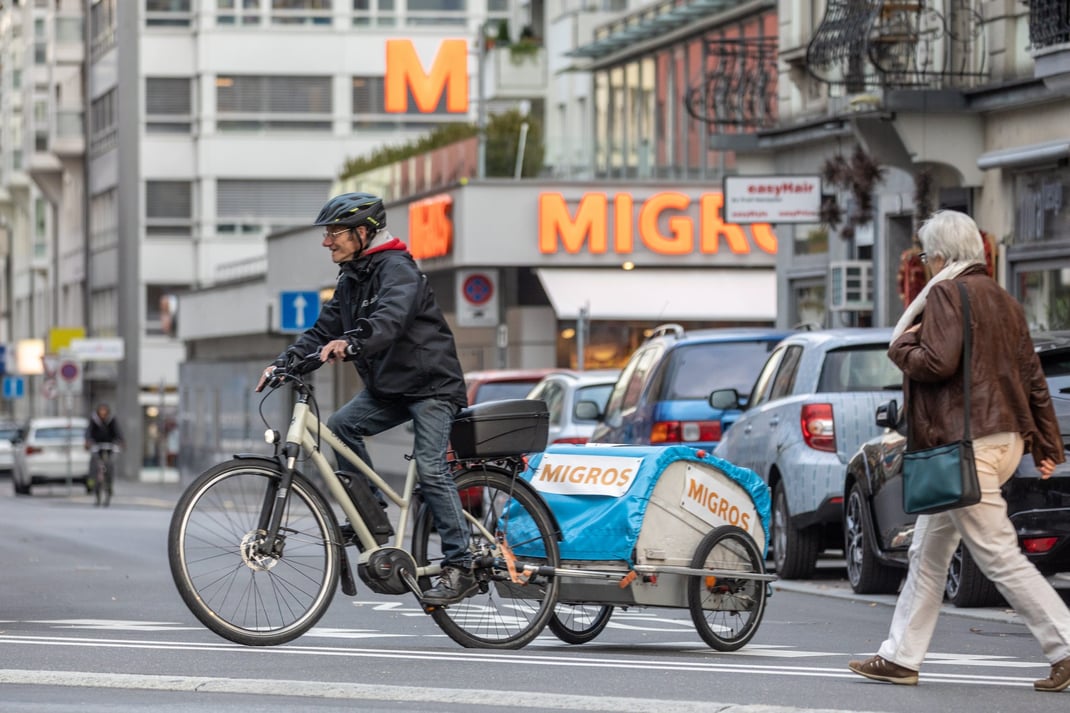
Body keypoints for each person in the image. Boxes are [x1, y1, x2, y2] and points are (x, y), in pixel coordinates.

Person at [848, 210, 1070, 693]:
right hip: (999, 439)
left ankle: (1066, 645)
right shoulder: (1004, 299)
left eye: (927, 255)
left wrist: (902, 346)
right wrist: (1047, 443)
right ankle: (901, 656)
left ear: (943, 256)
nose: (926, 264)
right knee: (928, 554)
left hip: (964, 447)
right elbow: (1032, 376)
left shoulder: (948, 293)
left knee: (998, 556)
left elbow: (937, 361)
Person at [255, 192, 475, 605]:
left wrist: (352, 343)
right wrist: (283, 363)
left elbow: (389, 320)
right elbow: (322, 330)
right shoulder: (353, 276)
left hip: (431, 386)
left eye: (334, 232)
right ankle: (371, 519)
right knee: (340, 427)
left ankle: (462, 564)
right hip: (390, 387)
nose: (327, 242)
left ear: (362, 232)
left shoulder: (398, 268)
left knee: (430, 467)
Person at [85, 403, 123, 507]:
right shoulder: (94, 420)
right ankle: (93, 484)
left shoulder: (111, 420)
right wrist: (88, 441)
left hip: (109, 447)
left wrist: (120, 441)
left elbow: (118, 433)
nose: (103, 413)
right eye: (101, 411)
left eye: (104, 411)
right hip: (97, 447)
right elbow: (88, 432)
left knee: (110, 465)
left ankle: (109, 485)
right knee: (95, 465)